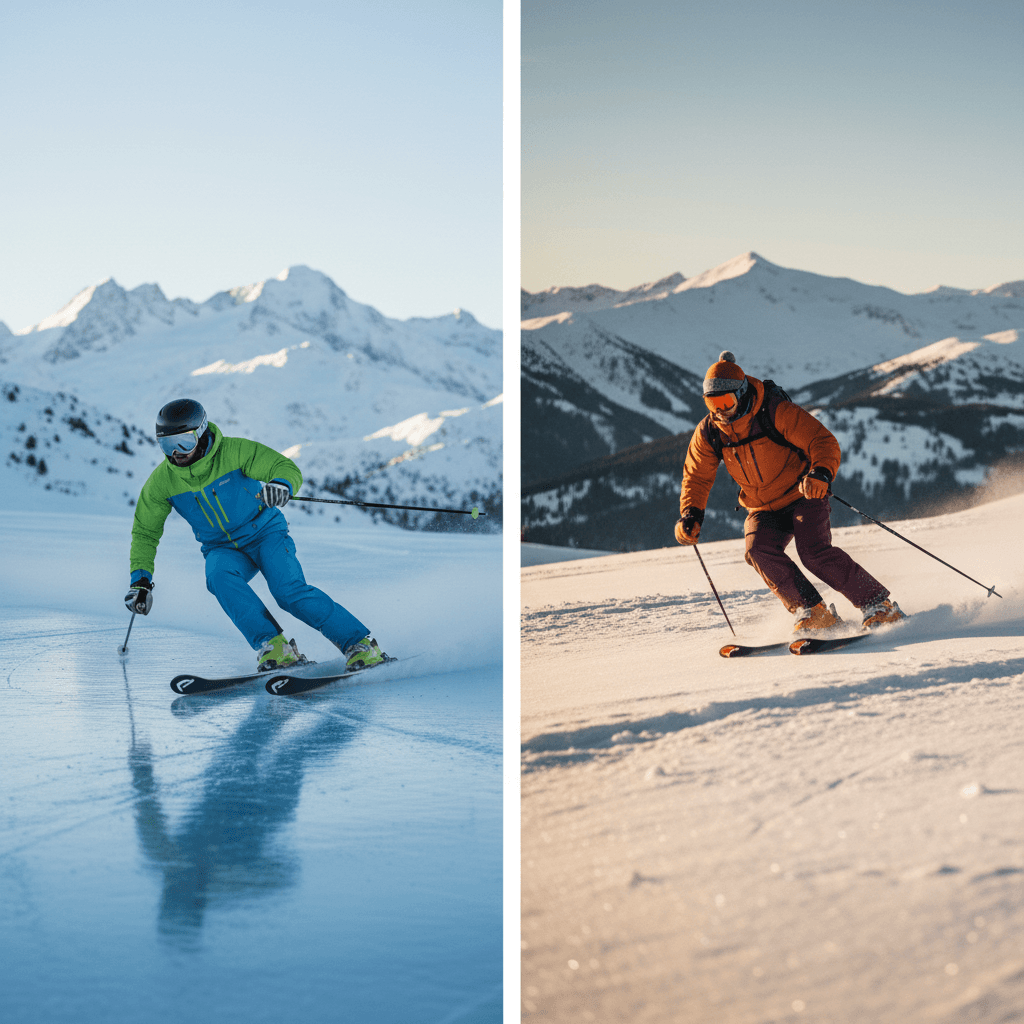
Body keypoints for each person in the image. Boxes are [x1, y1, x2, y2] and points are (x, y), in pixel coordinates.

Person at [125, 398, 387, 671]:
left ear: (201, 433)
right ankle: (274, 647)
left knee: (287, 591)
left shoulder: (234, 452)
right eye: (167, 445)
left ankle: (360, 645)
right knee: (218, 576)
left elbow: (284, 468)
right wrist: (140, 580)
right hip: (222, 548)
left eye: (185, 442)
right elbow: (145, 532)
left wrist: (281, 485)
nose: (177, 453)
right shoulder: (161, 483)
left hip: (265, 533)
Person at [675, 351, 906, 632]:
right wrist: (691, 513)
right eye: (713, 403)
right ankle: (813, 611)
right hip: (762, 507)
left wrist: (820, 473)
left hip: (803, 494)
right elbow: (696, 476)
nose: (721, 410)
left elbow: (822, 441)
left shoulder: (774, 411)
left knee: (813, 552)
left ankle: (878, 604)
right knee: (758, 550)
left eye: (726, 402)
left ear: (742, 392)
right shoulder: (710, 432)